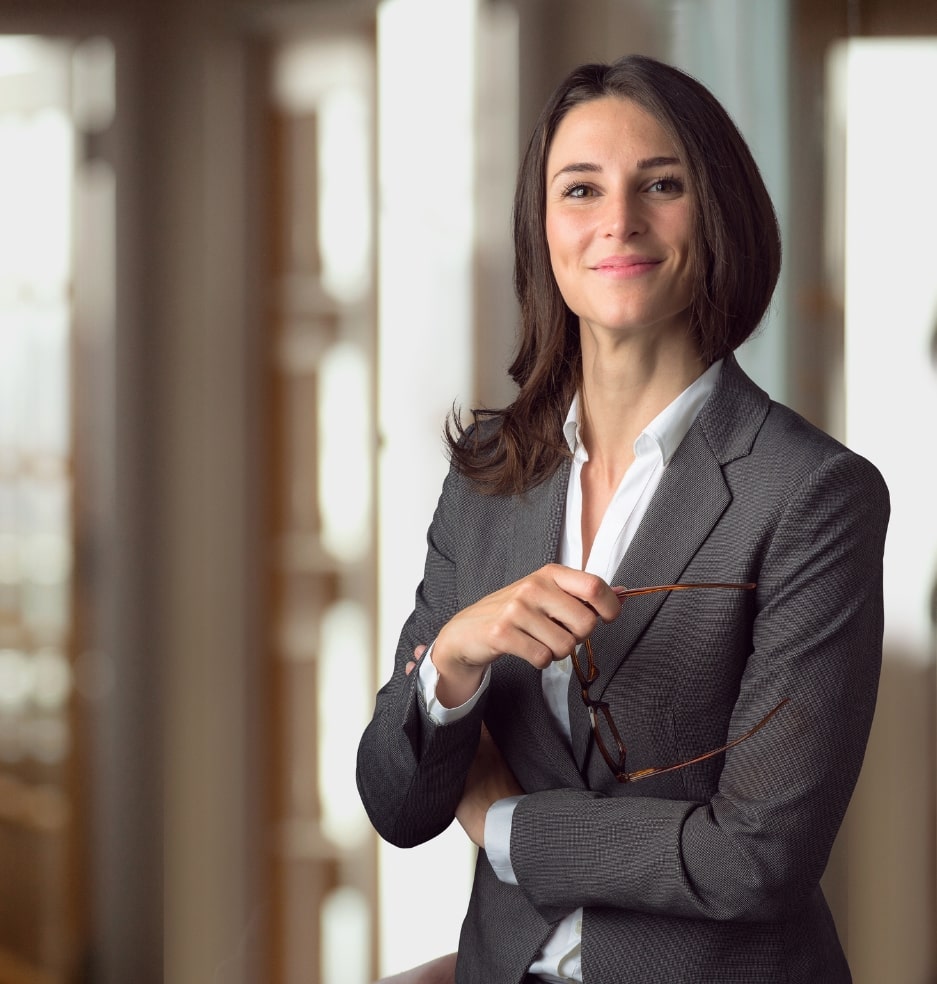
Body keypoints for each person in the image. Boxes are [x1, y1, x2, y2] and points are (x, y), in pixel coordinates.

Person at [357, 53, 889, 984]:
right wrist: (449, 663)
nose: (618, 222)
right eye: (580, 189)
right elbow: (396, 805)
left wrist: (503, 822)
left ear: (717, 211)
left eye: (661, 184)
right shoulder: (488, 477)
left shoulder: (813, 496)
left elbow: (754, 859)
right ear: (542, 227)